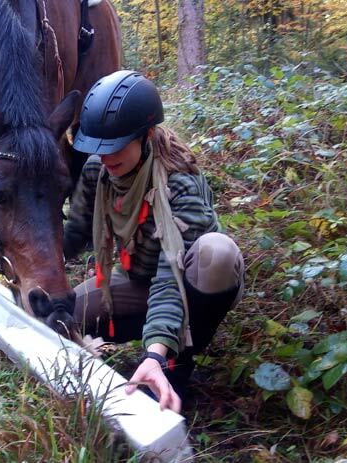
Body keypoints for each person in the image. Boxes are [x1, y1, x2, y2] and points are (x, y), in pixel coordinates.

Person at [64, 70, 244, 413]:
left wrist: (154, 354)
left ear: (145, 135)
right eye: (98, 147)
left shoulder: (179, 182)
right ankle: (157, 336)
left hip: (188, 282)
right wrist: (15, 254)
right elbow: (74, 235)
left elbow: (169, 275)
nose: (105, 157)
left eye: (115, 146)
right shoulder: (97, 172)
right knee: (67, 313)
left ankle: (177, 361)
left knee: (216, 253)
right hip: (138, 279)